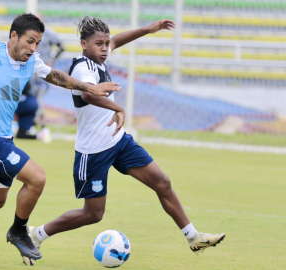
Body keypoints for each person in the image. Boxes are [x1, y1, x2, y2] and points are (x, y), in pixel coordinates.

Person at [26, 16, 225, 265]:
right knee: (93, 214)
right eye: (99, 43)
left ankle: (193, 237)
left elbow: (119, 39)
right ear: (83, 43)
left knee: (162, 183)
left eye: (106, 43)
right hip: (94, 151)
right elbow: (89, 95)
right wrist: (118, 109)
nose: (104, 48)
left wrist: (148, 29)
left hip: (119, 142)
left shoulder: (101, 55)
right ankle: (37, 234)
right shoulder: (82, 68)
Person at [0, 13, 120, 266]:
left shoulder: (32, 61)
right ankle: (19, 230)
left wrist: (88, 87)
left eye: (37, 43)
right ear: (14, 36)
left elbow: (54, 76)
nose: (33, 48)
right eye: (30, 41)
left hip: (3, 141)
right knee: (37, 178)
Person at [15, 13, 64, 139]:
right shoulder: (27, 33)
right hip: (29, 69)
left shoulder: (48, 33)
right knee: (30, 97)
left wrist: (51, 61)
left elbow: (61, 46)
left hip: (42, 70)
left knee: (39, 99)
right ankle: (29, 126)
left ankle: (41, 126)